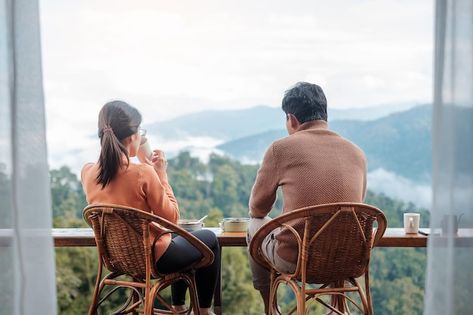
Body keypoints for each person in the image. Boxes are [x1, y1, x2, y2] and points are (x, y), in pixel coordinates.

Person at [81, 100, 219, 315]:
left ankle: (179, 307)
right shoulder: (143, 173)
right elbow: (172, 218)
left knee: (186, 237)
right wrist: (161, 174)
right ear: (132, 137)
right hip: (154, 259)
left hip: (116, 259)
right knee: (209, 238)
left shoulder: (87, 172)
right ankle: (202, 311)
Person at [247, 82, 367, 314]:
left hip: (298, 261)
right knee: (339, 226)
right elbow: (353, 209)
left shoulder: (280, 149)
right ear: (325, 114)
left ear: (291, 119)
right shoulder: (357, 153)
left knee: (254, 226)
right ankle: (338, 307)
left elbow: (258, 210)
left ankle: (271, 308)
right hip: (349, 260)